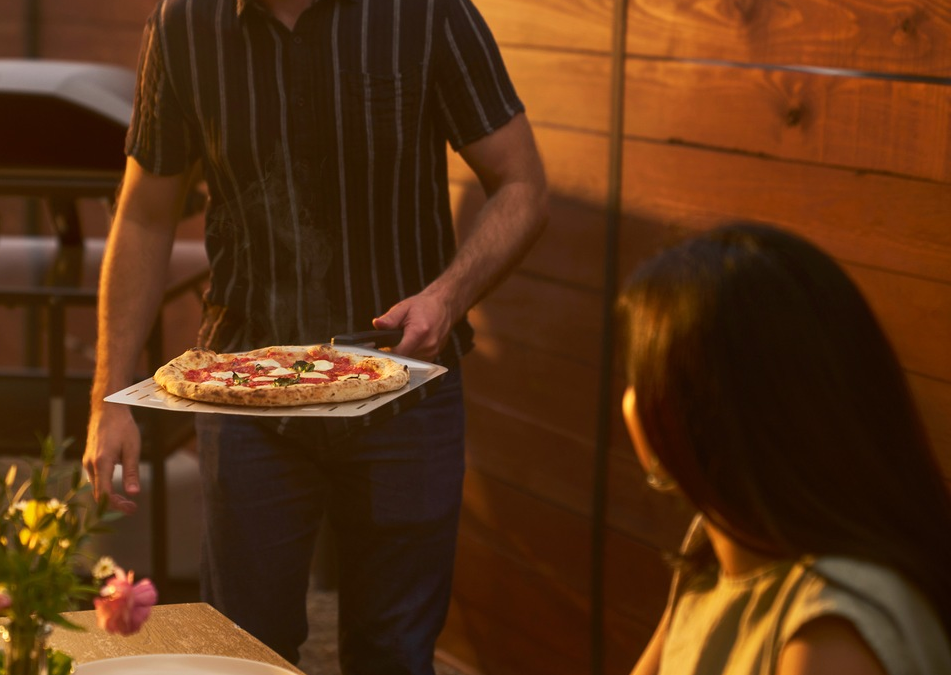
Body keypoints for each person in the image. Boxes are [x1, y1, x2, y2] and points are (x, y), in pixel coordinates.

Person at [83, 1, 548, 673]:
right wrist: (109, 398)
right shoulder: (184, 23)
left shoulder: (424, 12)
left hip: (404, 384)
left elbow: (523, 184)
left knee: (393, 650)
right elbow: (145, 217)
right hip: (242, 390)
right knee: (244, 650)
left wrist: (446, 298)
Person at [618, 223, 951, 675]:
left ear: (700, 418)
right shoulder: (719, 543)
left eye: (641, 377)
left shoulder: (829, 638)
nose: (629, 399)